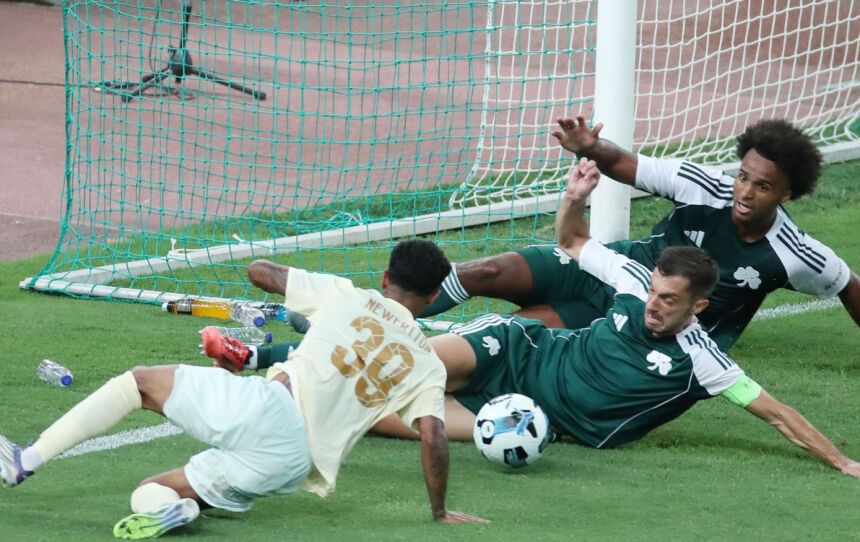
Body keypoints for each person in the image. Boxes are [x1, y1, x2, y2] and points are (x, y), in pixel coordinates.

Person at [372, 159, 860, 478]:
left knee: (382, 414)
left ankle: (305, 382)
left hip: (538, 419)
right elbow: (571, 241)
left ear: (698, 309)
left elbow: (778, 414)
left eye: (669, 299)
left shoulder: (704, 362)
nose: (652, 303)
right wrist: (574, 195)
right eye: (653, 291)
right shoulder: (630, 281)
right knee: (386, 367)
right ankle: (337, 338)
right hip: (518, 349)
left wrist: (841, 462)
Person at [0, 240, 487, 540]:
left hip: (270, 411)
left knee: (139, 382)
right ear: (431, 297)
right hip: (292, 467)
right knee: (150, 491)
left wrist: (300, 303)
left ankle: (26, 461)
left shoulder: (345, 294)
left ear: (384, 278)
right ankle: (178, 510)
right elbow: (433, 438)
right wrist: (439, 511)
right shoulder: (426, 361)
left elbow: (259, 271)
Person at [416, 116, 860, 351]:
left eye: (762, 186)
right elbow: (629, 166)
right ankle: (392, 312)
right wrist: (591, 148)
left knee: (513, 332)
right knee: (491, 269)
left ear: (787, 195)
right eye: (744, 177)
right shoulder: (704, 185)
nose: (744, 192)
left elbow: (847, 284)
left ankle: (406, 364)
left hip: (633, 317)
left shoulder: (795, 253)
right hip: (607, 265)